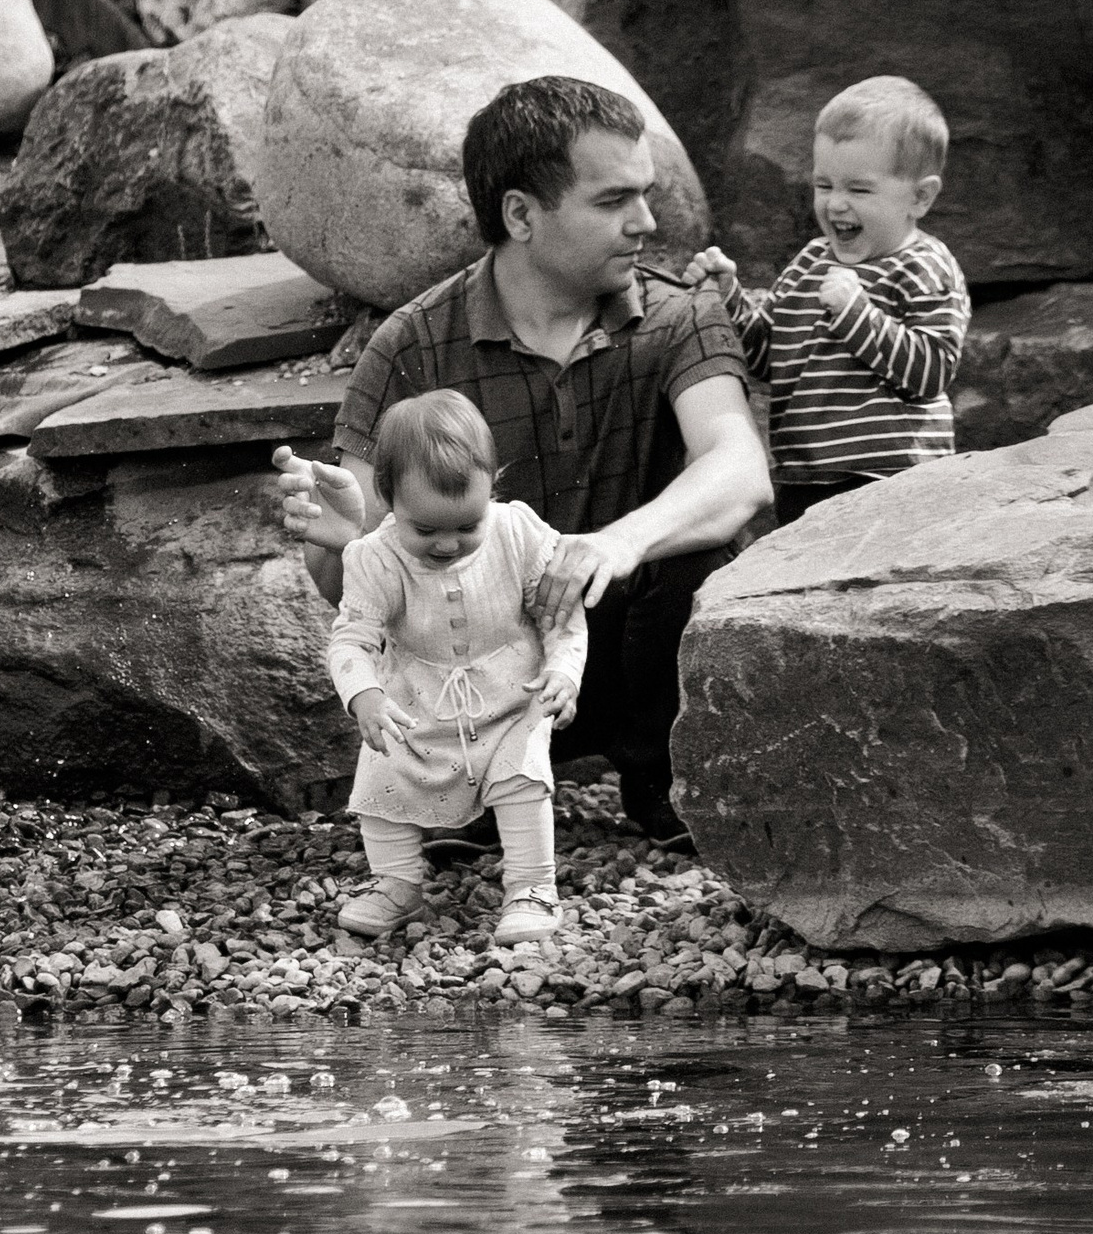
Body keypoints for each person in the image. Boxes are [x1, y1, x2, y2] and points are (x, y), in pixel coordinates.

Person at [275, 74, 771, 850]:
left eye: (644, 194)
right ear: (521, 215)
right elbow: (358, 588)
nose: (646, 221)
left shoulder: (679, 314)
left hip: (629, 650)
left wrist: (619, 543)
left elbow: (739, 467)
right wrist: (339, 541)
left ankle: (669, 776)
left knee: (701, 551)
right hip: (479, 673)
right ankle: (461, 790)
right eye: (613, 201)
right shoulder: (414, 346)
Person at [327, 390, 586, 946]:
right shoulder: (375, 557)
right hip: (415, 701)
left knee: (521, 779)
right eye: (426, 531)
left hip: (514, 694)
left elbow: (562, 618)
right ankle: (397, 884)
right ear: (389, 499)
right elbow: (352, 636)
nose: (449, 543)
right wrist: (364, 694)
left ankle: (531, 888)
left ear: (493, 484)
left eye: (468, 525)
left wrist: (565, 672)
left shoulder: (518, 532)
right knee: (382, 775)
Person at [690, 75, 970, 526]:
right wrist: (729, 298)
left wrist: (857, 313)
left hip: (891, 479)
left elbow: (931, 373)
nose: (836, 204)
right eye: (824, 185)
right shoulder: (809, 262)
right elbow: (767, 360)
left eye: (859, 189)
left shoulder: (926, 266)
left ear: (920, 197)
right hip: (803, 477)